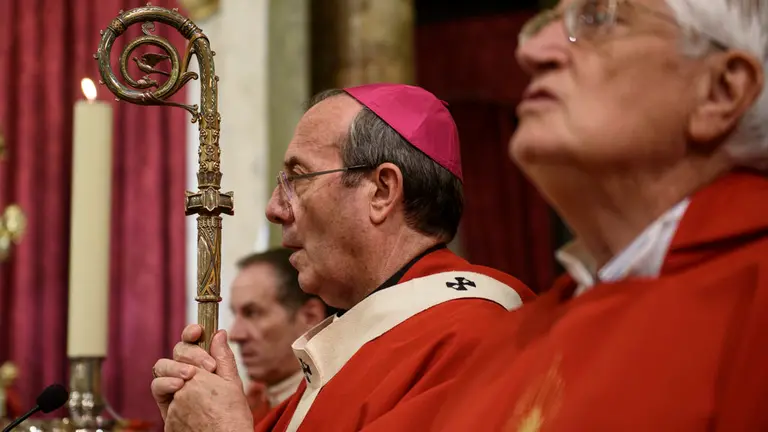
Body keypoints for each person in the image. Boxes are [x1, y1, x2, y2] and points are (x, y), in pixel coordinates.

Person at [425, 0, 768, 430]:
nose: (532, 53)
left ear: (721, 91)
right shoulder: (511, 339)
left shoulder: (755, 302)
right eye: (547, 24)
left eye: (598, 19)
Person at [149, 83, 536, 432]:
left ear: (382, 191)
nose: (274, 208)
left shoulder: (473, 336)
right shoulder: (358, 341)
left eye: (298, 178)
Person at [229, 249, 331, 423]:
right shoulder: (249, 403)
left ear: (309, 317)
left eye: (252, 313)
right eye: (235, 314)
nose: (235, 335)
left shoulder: (330, 405)